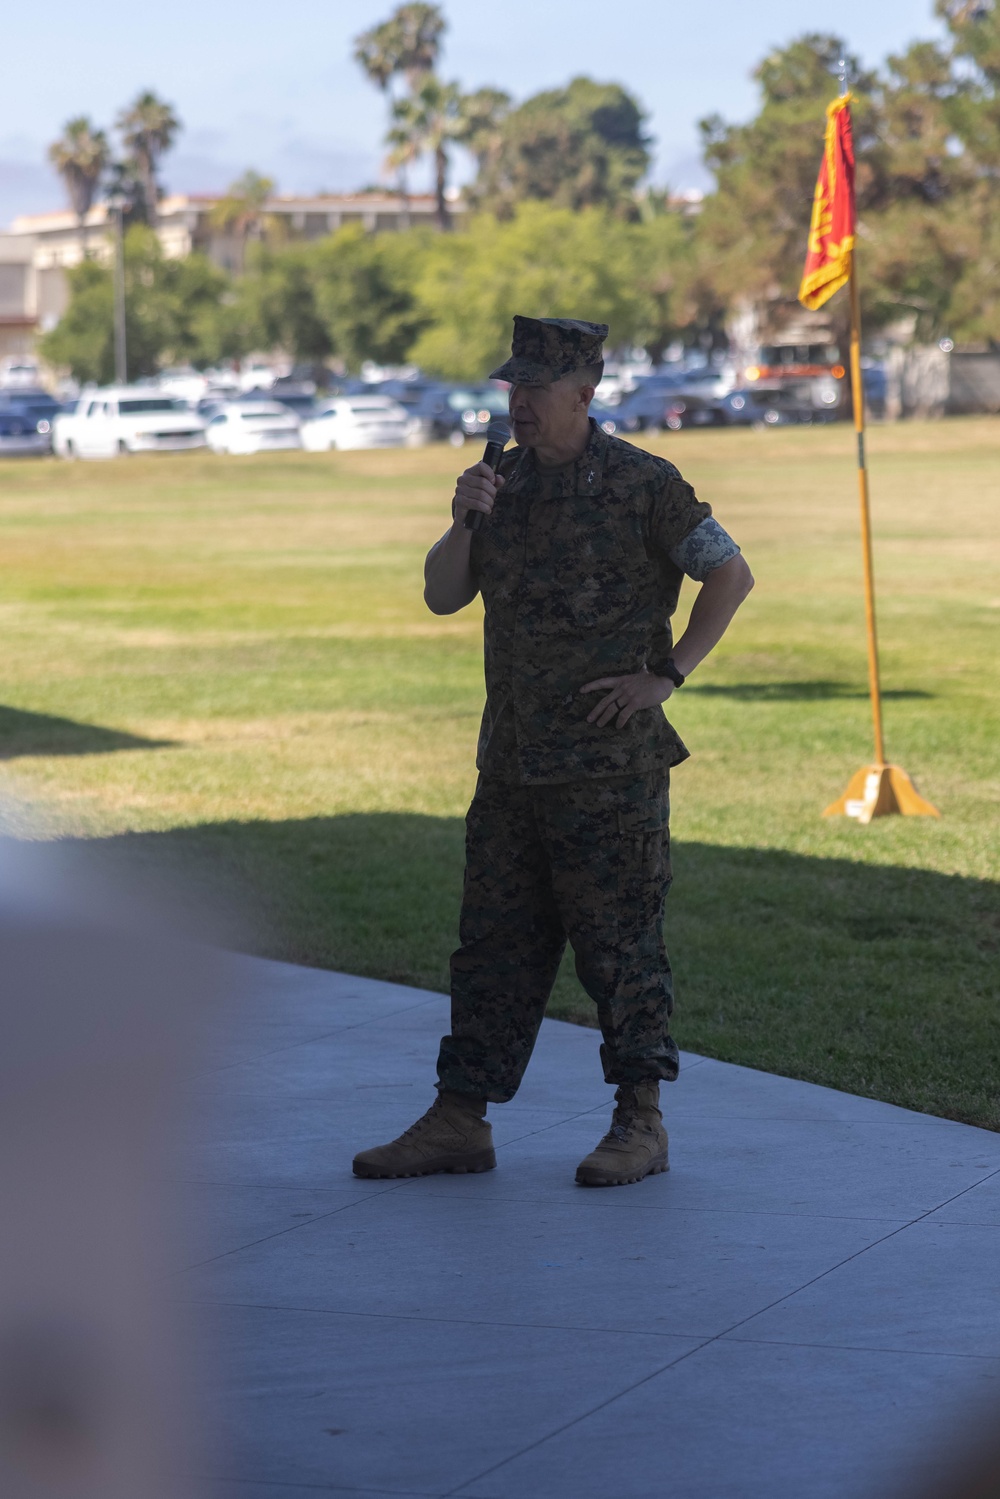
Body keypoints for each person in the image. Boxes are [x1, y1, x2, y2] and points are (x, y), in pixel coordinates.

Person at [353, 316, 754, 1187]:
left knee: (620, 946)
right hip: (512, 764)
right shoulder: (500, 481)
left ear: (585, 392)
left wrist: (669, 674)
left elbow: (730, 573)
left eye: (536, 388)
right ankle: (461, 1118)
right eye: (513, 386)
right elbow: (440, 595)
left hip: (610, 770)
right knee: (491, 943)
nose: (519, 401)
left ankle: (640, 1122)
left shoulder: (645, 484)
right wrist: (464, 519)